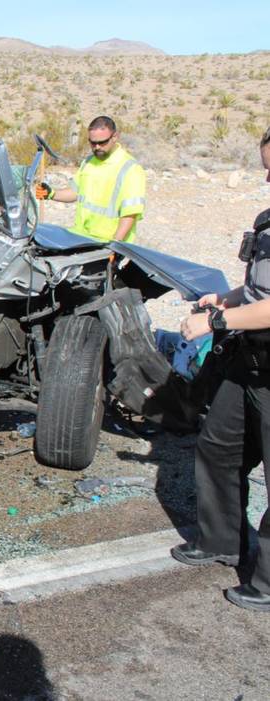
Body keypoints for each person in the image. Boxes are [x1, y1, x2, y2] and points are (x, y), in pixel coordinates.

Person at [171, 126, 270, 611]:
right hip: (249, 361)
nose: (268, 178)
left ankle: (267, 583)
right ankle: (221, 540)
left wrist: (215, 321)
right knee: (218, 447)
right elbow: (258, 290)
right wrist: (225, 299)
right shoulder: (267, 221)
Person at [34, 116, 146, 243]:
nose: (97, 147)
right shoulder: (88, 162)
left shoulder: (130, 168)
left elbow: (130, 213)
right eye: (93, 143)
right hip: (81, 238)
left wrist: (115, 244)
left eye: (102, 142)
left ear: (114, 137)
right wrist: (51, 193)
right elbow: (75, 192)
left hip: (107, 244)